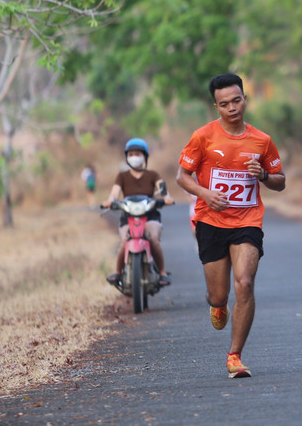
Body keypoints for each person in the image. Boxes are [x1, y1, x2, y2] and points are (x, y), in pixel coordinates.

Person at [176, 73, 285, 379]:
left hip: (248, 221)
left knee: (246, 283)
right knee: (218, 294)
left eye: (237, 100)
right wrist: (205, 193)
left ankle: (235, 356)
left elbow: (281, 181)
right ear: (217, 106)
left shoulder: (261, 141)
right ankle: (218, 304)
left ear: (244, 99)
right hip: (211, 220)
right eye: (225, 104)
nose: (232, 108)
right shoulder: (203, 137)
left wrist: (263, 176)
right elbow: (182, 176)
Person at [103, 138, 175, 287]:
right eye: (131, 154)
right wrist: (110, 201)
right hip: (128, 217)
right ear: (127, 157)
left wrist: (167, 198)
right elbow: (114, 194)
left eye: (137, 154)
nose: (134, 157)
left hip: (150, 216)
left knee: (153, 239)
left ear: (145, 156)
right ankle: (117, 272)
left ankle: (162, 272)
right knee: (125, 241)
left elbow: (163, 190)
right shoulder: (122, 176)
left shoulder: (153, 175)